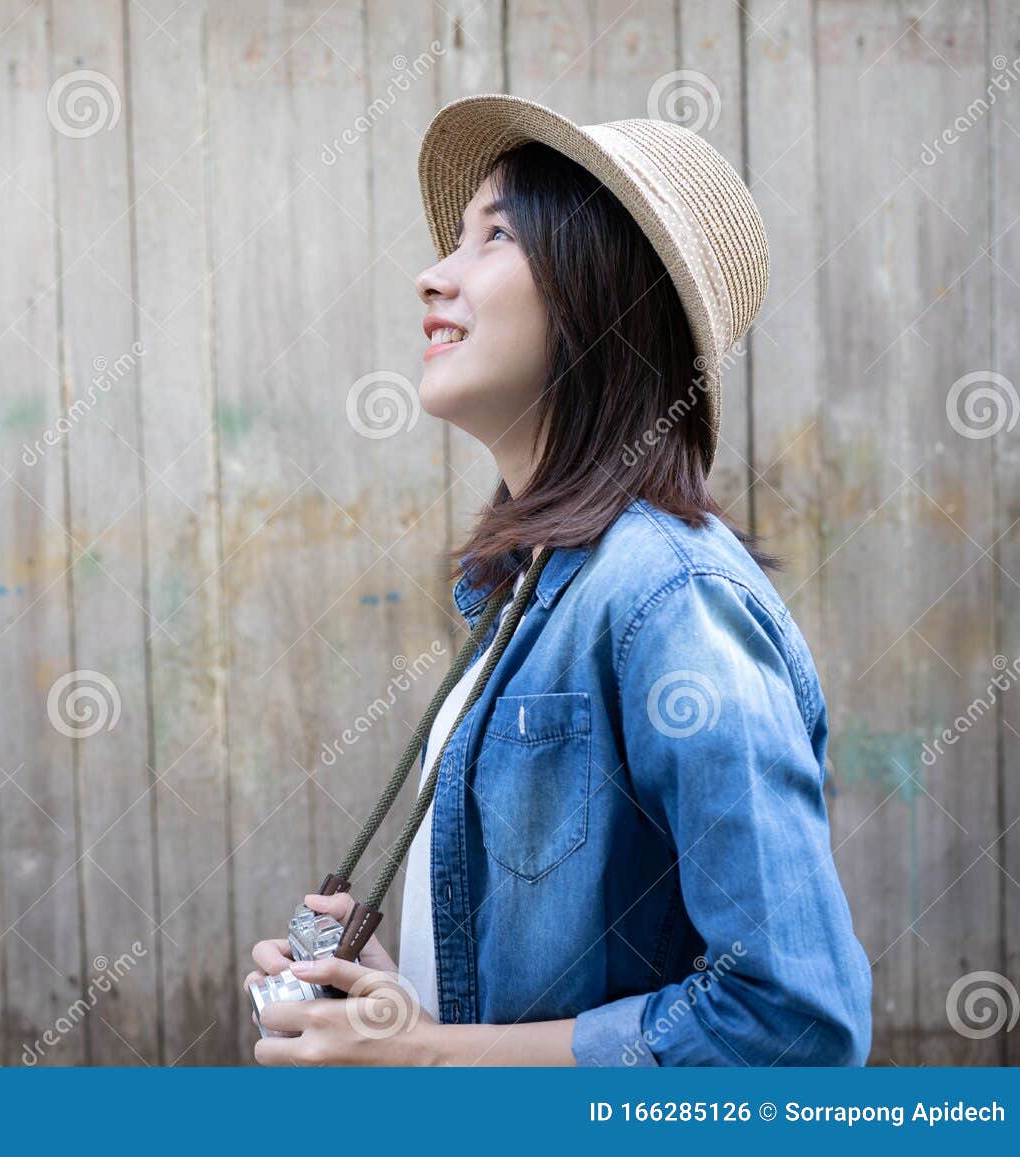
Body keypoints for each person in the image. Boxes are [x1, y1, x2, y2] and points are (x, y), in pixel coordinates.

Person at [243, 95, 872, 1066]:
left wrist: (427, 1055)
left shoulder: (669, 595)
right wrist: (398, 1005)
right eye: (454, 238)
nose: (432, 274)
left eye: (493, 236)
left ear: (601, 295)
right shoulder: (531, 588)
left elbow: (791, 1024)